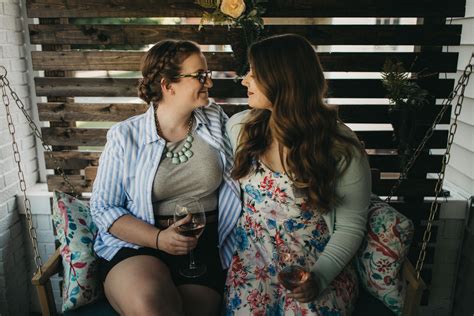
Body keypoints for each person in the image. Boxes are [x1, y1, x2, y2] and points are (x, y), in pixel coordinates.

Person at [90, 39, 241, 316]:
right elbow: (103, 208)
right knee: (151, 307)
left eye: (207, 75)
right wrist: (159, 239)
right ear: (168, 85)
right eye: (200, 76)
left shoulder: (216, 121)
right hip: (139, 245)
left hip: (201, 248)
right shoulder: (125, 136)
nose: (209, 82)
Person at [225, 34, 371, 315]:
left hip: (316, 267)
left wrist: (319, 277)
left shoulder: (339, 146)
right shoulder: (240, 129)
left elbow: (351, 225)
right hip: (252, 264)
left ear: (281, 81)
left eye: (253, 74)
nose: (244, 80)